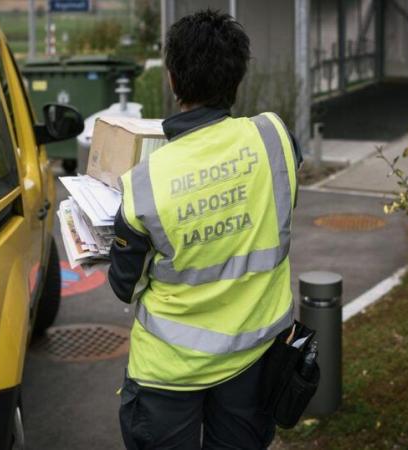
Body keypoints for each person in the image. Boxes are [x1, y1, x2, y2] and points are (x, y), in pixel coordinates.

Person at [108, 9, 302, 449]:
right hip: (253, 363)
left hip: (168, 375)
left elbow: (126, 285)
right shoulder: (276, 139)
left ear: (173, 80)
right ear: (238, 78)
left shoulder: (143, 183)